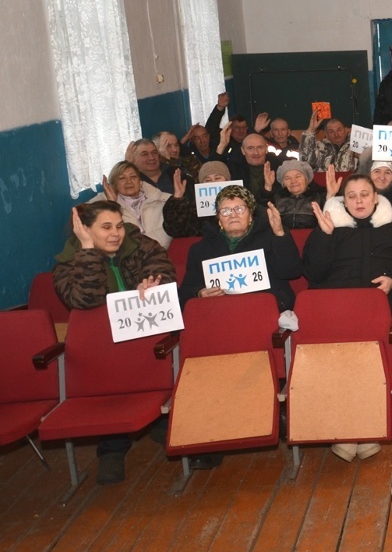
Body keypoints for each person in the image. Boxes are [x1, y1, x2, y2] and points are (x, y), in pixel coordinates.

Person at [303, 175, 392, 461]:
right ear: (342, 200)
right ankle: (348, 430)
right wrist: (323, 235)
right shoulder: (330, 225)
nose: (359, 201)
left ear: (375, 197)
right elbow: (313, 273)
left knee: (366, 357)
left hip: (378, 308)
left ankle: (364, 429)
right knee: (341, 358)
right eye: (351, 196)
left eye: (364, 194)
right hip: (336, 310)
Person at [52, 201, 177, 484]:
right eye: (106, 227)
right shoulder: (66, 263)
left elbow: (164, 271)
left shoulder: (142, 244)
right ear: (84, 230)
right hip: (105, 353)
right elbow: (83, 300)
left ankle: (162, 419)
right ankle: (112, 447)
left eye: (119, 226)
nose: (115, 234)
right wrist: (87, 251)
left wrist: (152, 282)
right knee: (109, 375)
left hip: (148, 340)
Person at [178, 185, 303, 313]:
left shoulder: (271, 238)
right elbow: (185, 293)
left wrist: (280, 233)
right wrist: (199, 293)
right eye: (225, 211)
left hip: (264, 313)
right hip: (219, 315)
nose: (233, 215)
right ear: (219, 220)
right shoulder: (200, 250)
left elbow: (291, 272)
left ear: (250, 216)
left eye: (239, 209)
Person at [94, 161, 172, 249]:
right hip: (124, 258)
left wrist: (141, 245)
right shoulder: (102, 202)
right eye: (122, 178)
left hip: (160, 252)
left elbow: (169, 232)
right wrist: (112, 205)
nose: (129, 182)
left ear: (139, 180)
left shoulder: (162, 199)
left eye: (133, 177)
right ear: (114, 184)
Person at [162, 160, 232, 239]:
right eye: (208, 180)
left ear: (227, 181)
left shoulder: (240, 204)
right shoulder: (194, 209)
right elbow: (173, 229)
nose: (213, 182)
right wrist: (177, 196)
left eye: (217, 178)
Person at [268, 159, 331, 230]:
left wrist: (331, 196)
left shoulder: (319, 197)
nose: (293, 181)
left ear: (306, 179)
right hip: (283, 239)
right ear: (283, 183)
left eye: (298, 176)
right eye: (287, 178)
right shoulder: (276, 198)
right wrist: (268, 187)